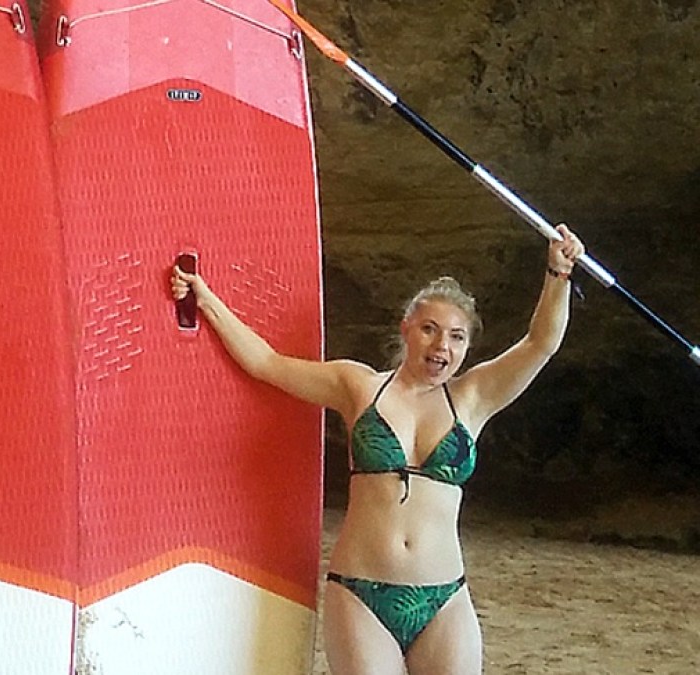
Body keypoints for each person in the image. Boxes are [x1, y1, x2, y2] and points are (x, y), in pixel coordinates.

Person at [171, 225, 585, 674]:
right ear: (406, 329)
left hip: (444, 598)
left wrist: (557, 274)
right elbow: (266, 363)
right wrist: (205, 298)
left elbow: (540, 343)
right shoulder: (358, 387)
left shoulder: (473, 398)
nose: (441, 345)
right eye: (429, 329)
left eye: (456, 336)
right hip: (361, 593)